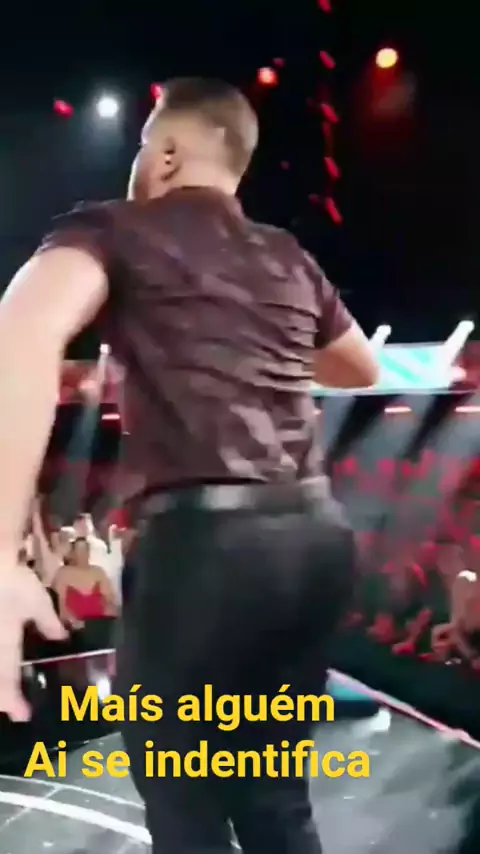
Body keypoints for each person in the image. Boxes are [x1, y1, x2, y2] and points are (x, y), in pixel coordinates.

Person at [0, 77, 378, 854]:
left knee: (183, 801)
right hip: (314, 539)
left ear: (166, 152)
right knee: (275, 795)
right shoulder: (286, 254)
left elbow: (22, 332)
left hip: (210, 549)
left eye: (142, 147)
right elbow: (360, 368)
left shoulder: (115, 228)